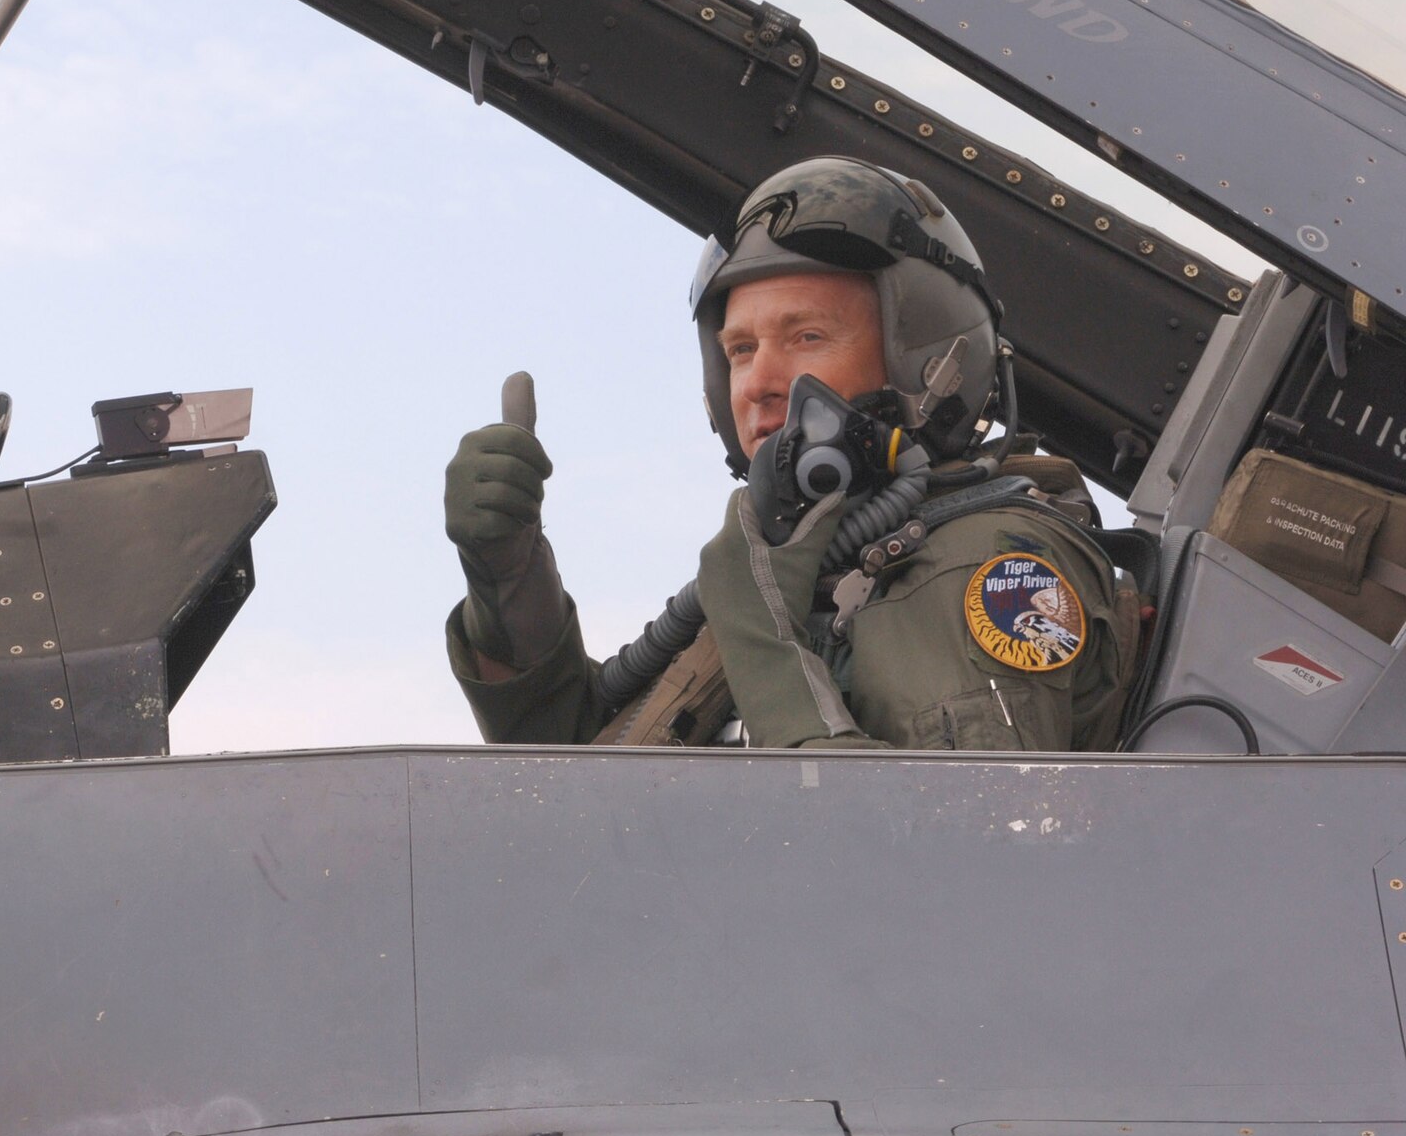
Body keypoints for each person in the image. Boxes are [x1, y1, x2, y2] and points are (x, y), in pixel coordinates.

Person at [442, 156, 1137, 751]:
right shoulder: (797, 569)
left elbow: (958, 862)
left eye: (806, 337)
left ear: (926, 360)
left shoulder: (979, 564)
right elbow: (576, 780)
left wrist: (762, 636)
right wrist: (506, 579)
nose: (760, 384)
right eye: (741, 350)